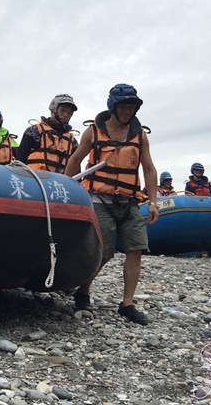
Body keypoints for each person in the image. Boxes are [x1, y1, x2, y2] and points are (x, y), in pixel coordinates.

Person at [64, 84, 158, 325]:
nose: (128, 111)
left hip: (129, 202)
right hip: (99, 199)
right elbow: (75, 160)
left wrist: (154, 201)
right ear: (113, 107)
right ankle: (83, 291)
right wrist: (65, 189)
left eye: (132, 107)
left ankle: (127, 304)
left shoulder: (140, 135)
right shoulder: (94, 132)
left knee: (136, 249)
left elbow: (148, 168)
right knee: (102, 252)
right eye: (124, 106)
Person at [16, 94, 78, 174]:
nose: (66, 115)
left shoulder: (72, 141)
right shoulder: (34, 131)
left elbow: (76, 167)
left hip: (60, 183)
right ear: (54, 109)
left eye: (69, 113)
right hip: (34, 180)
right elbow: (20, 159)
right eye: (62, 110)